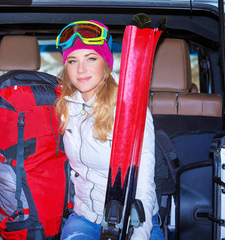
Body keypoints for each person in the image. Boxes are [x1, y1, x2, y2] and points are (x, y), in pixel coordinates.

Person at [55, 20, 164, 240]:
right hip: (85, 217)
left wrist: (140, 230)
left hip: (131, 220)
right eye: (73, 61)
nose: (81, 70)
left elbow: (142, 180)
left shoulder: (129, 108)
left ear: (105, 63)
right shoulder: (66, 106)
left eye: (91, 58)